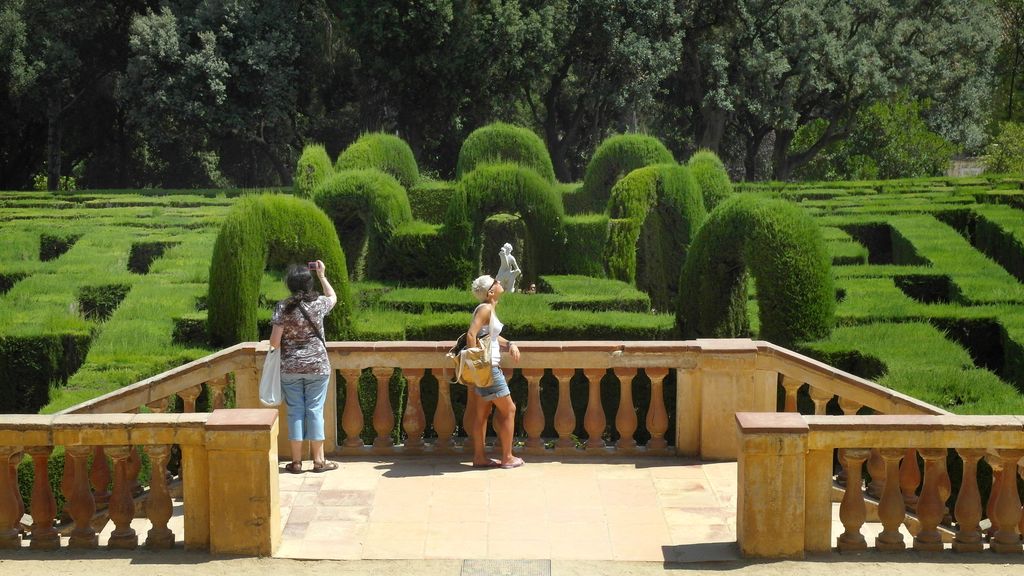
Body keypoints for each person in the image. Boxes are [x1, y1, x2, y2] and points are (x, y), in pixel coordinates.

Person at [269, 261, 338, 474]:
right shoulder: (317, 304)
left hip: (290, 368)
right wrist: (322, 276)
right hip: (318, 366)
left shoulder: (283, 306)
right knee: (315, 411)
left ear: (289, 285)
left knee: (295, 412)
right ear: (309, 284)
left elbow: (274, 342)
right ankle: (319, 461)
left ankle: (296, 462)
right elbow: (333, 297)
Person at [466, 274, 524, 469]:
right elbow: (471, 334)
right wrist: (479, 364)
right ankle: (507, 457)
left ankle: (479, 457)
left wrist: (510, 343)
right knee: (509, 410)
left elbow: (490, 335)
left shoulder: (488, 309)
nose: (499, 283)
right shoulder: (485, 308)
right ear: (491, 292)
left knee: (482, 413)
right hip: (489, 369)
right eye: (496, 282)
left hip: (485, 370)